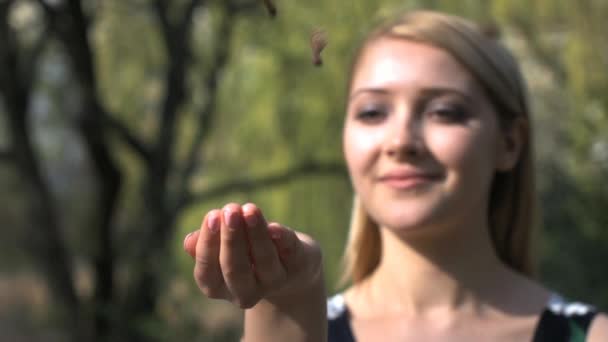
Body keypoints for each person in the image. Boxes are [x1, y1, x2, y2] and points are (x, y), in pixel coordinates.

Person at [182, 9, 608, 342]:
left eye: (444, 111)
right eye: (372, 112)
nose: (401, 140)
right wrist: (290, 299)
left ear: (509, 143)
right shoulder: (294, 329)